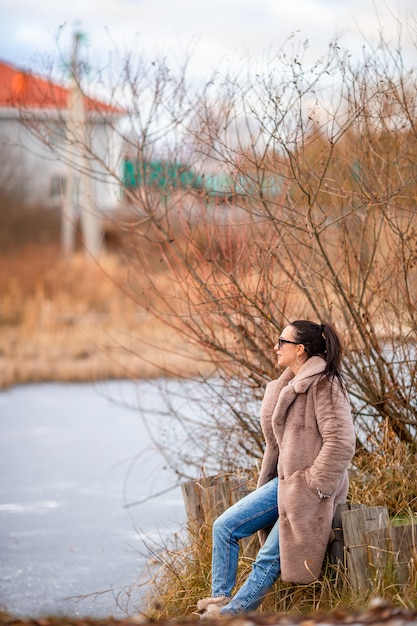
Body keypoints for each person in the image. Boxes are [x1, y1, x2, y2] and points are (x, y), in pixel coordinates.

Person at [197, 320, 356, 618]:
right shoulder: (288, 386)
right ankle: (218, 602)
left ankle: (232, 615)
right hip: (284, 484)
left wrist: (312, 485)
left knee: (269, 556)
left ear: (300, 349)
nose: (275, 346)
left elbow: (342, 443)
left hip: (310, 491)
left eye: (281, 341)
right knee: (225, 527)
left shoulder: (326, 385)